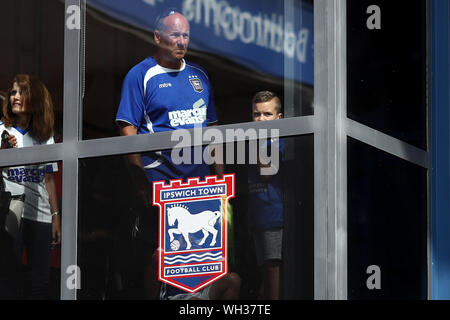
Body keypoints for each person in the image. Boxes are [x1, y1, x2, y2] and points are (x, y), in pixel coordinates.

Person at [115, 9, 235, 299]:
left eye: (185, 36)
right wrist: (139, 179)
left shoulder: (199, 76)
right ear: (157, 37)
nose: (181, 41)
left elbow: (213, 130)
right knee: (158, 258)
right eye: (175, 35)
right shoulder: (141, 75)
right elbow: (127, 128)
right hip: (160, 184)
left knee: (200, 262)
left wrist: (221, 181)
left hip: (200, 187)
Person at [0, 74, 61, 299]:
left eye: (21, 92)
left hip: (41, 215)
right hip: (11, 212)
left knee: (40, 282)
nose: (15, 97)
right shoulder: (1, 131)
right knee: (8, 276)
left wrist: (56, 216)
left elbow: (49, 179)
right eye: (13, 92)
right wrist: (3, 151)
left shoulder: (44, 136)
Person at [248, 91, 284, 300]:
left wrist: (255, 141)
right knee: (264, 271)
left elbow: (267, 172)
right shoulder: (258, 141)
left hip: (274, 216)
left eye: (267, 114)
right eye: (256, 114)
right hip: (258, 216)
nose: (260, 119)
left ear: (279, 118)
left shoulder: (280, 140)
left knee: (273, 268)